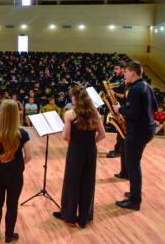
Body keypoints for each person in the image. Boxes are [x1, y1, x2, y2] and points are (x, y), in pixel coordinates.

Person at [53, 85, 106, 228]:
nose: (71, 98)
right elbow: (102, 135)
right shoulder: (95, 113)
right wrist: (90, 143)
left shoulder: (70, 114)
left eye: (72, 96)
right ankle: (84, 218)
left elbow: (65, 136)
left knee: (72, 183)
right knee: (88, 182)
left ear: (76, 98)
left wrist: (78, 143)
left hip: (76, 150)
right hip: (90, 151)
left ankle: (69, 216)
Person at [113, 61, 157, 210]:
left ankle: (134, 201)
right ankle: (134, 192)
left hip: (138, 132)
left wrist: (120, 110)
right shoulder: (147, 86)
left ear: (132, 72)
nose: (124, 74)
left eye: (126, 72)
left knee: (133, 166)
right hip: (148, 130)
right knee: (134, 164)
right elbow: (154, 107)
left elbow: (133, 114)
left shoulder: (135, 89)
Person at [0, 99, 32, 243]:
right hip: (15, 175)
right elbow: (29, 157)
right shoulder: (22, 134)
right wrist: (18, 164)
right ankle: (9, 236)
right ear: (15, 115)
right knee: (12, 205)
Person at [107, 61, 126, 159]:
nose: (115, 71)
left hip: (123, 107)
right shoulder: (116, 78)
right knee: (119, 130)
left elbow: (125, 96)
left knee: (121, 130)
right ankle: (118, 149)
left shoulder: (126, 80)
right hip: (117, 106)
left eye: (117, 69)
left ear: (123, 69)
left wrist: (114, 94)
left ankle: (119, 150)